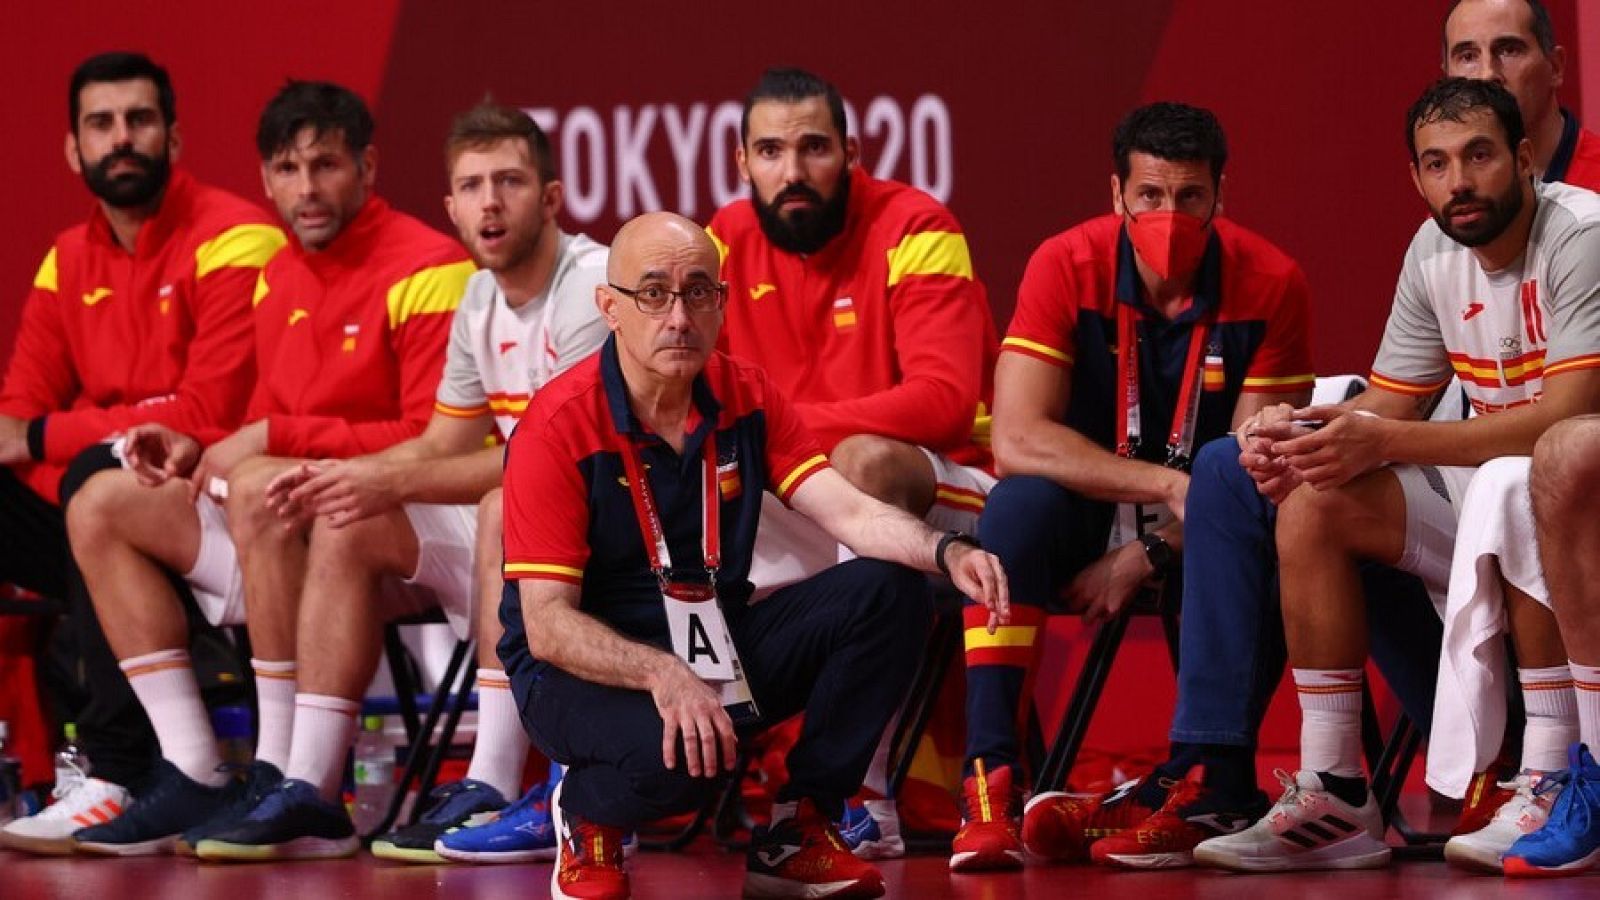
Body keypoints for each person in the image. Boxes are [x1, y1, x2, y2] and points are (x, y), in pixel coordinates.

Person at [499, 211, 1008, 900]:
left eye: (698, 292)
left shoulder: (746, 395)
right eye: (653, 294)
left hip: (711, 644)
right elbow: (549, 626)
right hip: (578, 668)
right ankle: (586, 810)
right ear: (610, 307)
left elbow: (848, 509)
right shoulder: (559, 425)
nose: (678, 316)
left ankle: (801, 828)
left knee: (890, 590)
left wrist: (945, 551)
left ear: (722, 304)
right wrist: (662, 675)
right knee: (684, 759)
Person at [1191, 76, 1600, 873]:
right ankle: (1337, 791)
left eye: (1479, 156)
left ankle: (1552, 769)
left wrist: (1379, 442)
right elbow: (1386, 408)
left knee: (1519, 477)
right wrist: (1303, 435)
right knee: (1316, 501)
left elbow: (1567, 415)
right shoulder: (1432, 250)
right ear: (1415, 178)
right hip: (1511, 495)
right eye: (1437, 164)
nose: (1460, 181)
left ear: (1524, 160)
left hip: (1583, 505)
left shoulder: (1581, 235)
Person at [60, 80, 472, 857]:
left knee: (259, 482)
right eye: (287, 169)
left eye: (325, 165)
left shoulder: (430, 266)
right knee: (102, 500)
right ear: (266, 179)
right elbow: (255, 417)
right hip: (282, 527)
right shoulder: (278, 272)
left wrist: (275, 436)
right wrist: (191, 445)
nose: (306, 189)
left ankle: (287, 772)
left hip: (386, 535)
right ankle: (193, 767)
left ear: (368, 166)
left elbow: (434, 441)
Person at [958, 101, 1327, 872]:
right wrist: (1162, 483)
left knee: (1247, 529)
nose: (1169, 215)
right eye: (1151, 195)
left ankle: (1207, 781)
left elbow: (1254, 476)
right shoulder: (1066, 263)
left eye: (1190, 196)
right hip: (1091, 506)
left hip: (1200, 528)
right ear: (1117, 195)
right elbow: (1021, 438)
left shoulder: (1271, 282)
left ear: (1220, 197)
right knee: (1013, 510)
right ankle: (989, 779)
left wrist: (1147, 554)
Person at [240, 100, 609, 863]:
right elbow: (441, 441)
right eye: (471, 186)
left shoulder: (592, 284)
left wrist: (384, 483)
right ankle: (311, 787)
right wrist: (346, 478)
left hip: (615, 531)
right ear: (451, 206)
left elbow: (558, 461)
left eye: (508, 182)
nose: (489, 203)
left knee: (508, 500)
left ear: (549, 198)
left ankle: (494, 781)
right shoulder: (477, 298)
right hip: (525, 530)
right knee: (348, 518)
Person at [707, 65, 996, 858]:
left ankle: (856, 794)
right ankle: (626, 781)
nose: (792, 172)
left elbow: (943, 401)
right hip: (808, 492)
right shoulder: (719, 243)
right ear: (741, 162)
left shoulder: (916, 224)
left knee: (862, 462)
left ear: (852, 152)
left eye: (812, 148)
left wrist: (782, 429)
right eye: (770, 150)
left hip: (949, 490)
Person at [0, 51, 281, 854]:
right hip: (112, 528)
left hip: (213, 518)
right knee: (89, 479)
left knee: (102, 469)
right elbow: (14, 418)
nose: (121, 139)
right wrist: (66, 443)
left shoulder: (237, 238)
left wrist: (68, 434)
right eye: (101, 123)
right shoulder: (66, 258)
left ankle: (115, 769)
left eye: (139, 120)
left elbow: (204, 415)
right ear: (73, 148)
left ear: (174, 135)